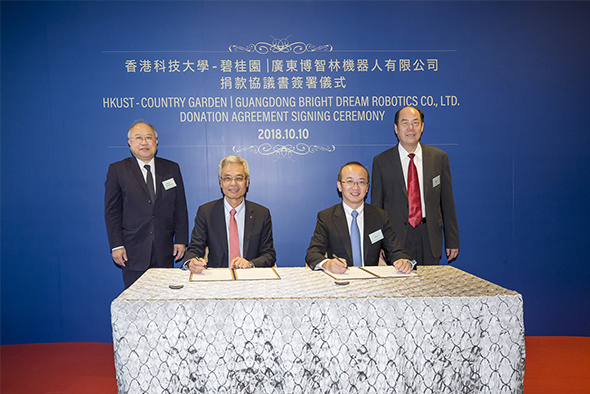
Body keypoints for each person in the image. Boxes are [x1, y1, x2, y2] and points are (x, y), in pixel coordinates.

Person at [104, 120, 189, 288]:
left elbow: (180, 207)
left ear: (156, 141)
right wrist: (117, 245)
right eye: (138, 138)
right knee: (136, 304)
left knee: (164, 301)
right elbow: (112, 212)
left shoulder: (172, 168)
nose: (144, 142)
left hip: (164, 250)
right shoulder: (117, 170)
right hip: (132, 252)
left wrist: (180, 240)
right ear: (130, 143)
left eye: (149, 137)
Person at [372, 106, 459, 266]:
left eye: (415, 123)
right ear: (396, 128)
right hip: (395, 239)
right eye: (405, 123)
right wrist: (377, 244)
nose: (410, 128)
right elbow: (376, 209)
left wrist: (452, 240)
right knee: (400, 289)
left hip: (429, 235)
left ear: (422, 127)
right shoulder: (381, 161)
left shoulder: (438, 158)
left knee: (430, 287)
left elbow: (447, 203)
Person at [306, 161, 413, 274]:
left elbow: (395, 251)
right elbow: (313, 253)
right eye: (350, 181)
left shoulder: (380, 216)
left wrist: (403, 262)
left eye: (361, 182)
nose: (355, 187)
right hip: (341, 281)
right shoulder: (327, 217)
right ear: (339, 186)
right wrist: (328, 264)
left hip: (371, 281)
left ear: (367, 187)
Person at [183, 155, 276, 273]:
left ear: (247, 181)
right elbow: (195, 248)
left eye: (239, 178)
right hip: (217, 279)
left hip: (250, 278)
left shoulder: (261, 214)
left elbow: (269, 255)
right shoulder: (206, 212)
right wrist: (192, 261)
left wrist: (250, 263)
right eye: (227, 178)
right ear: (220, 182)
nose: (233, 184)